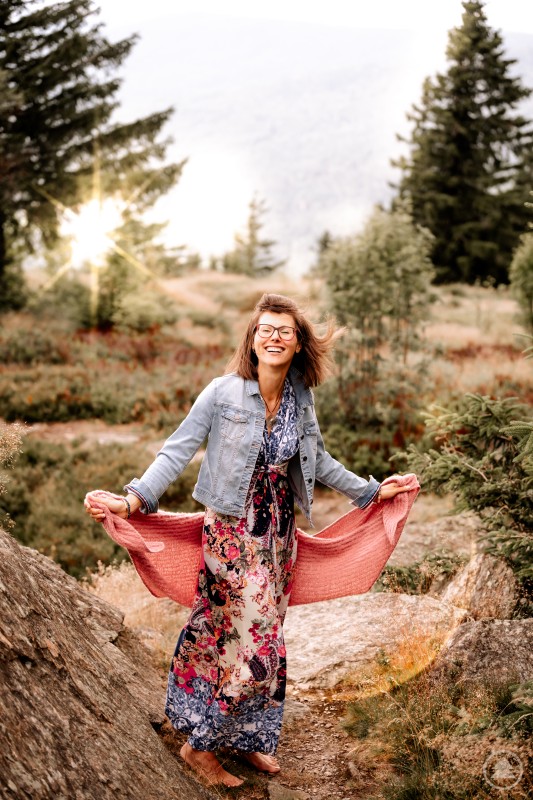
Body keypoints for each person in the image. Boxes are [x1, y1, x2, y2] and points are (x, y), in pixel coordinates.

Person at [84, 293, 410, 787]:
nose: (275, 337)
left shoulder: (302, 397)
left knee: (263, 633)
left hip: (279, 533)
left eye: (285, 331)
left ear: (298, 344)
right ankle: (199, 747)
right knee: (249, 635)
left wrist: (369, 491)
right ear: (252, 340)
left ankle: (244, 738)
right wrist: (133, 500)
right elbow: (176, 451)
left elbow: (316, 460)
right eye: (266, 330)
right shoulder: (221, 393)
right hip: (233, 532)